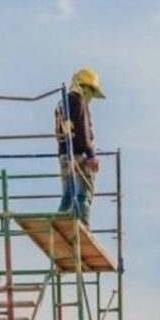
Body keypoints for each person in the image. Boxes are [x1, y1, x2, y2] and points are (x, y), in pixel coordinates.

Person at [55, 68, 105, 226]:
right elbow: (83, 129)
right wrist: (91, 155)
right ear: (84, 87)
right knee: (84, 194)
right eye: (91, 91)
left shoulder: (62, 103)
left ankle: (61, 225)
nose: (91, 98)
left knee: (68, 195)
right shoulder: (78, 101)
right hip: (79, 154)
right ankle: (82, 226)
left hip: (64, 154)